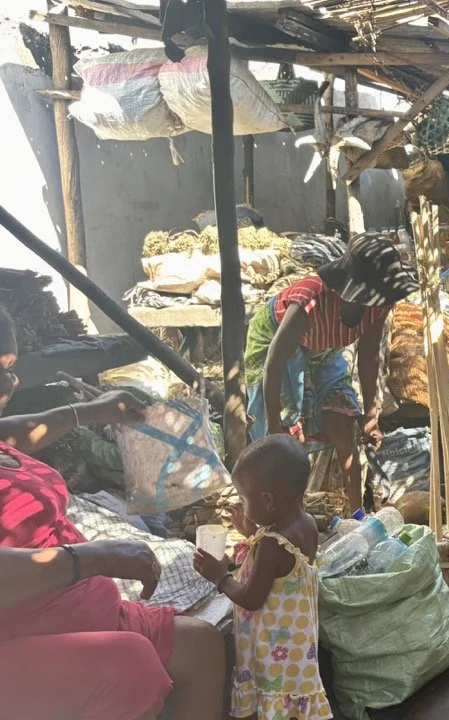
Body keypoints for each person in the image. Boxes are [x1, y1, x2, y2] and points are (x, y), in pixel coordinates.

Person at [0, 308, 226, 719]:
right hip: (18, 637)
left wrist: (92, 411)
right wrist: (97, 557)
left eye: (10, 369)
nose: (6, 384)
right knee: (132, 664)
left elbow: (24, 427)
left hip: (81, 610)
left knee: (202, 647)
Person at [245, 232, 419, 513]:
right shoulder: (309, 302)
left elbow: (369, 356)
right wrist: (275, 426)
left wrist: (372, 413)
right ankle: (288, 517)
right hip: (276, 345)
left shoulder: (379, 303)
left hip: (323, 351)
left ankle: (356, 516)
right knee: (290, 439)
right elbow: (274, 363)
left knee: (345, 423)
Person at [194, 435, 331, 720]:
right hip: (297, 647)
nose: (242, 503)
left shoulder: (272, 543)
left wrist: (220, 576)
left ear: (267, 500)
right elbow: (285, 570)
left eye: (244, 498)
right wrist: (249, 532)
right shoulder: (305, 524)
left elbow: (252, 598)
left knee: (275, 700)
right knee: (290, 701)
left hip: (273, 647)